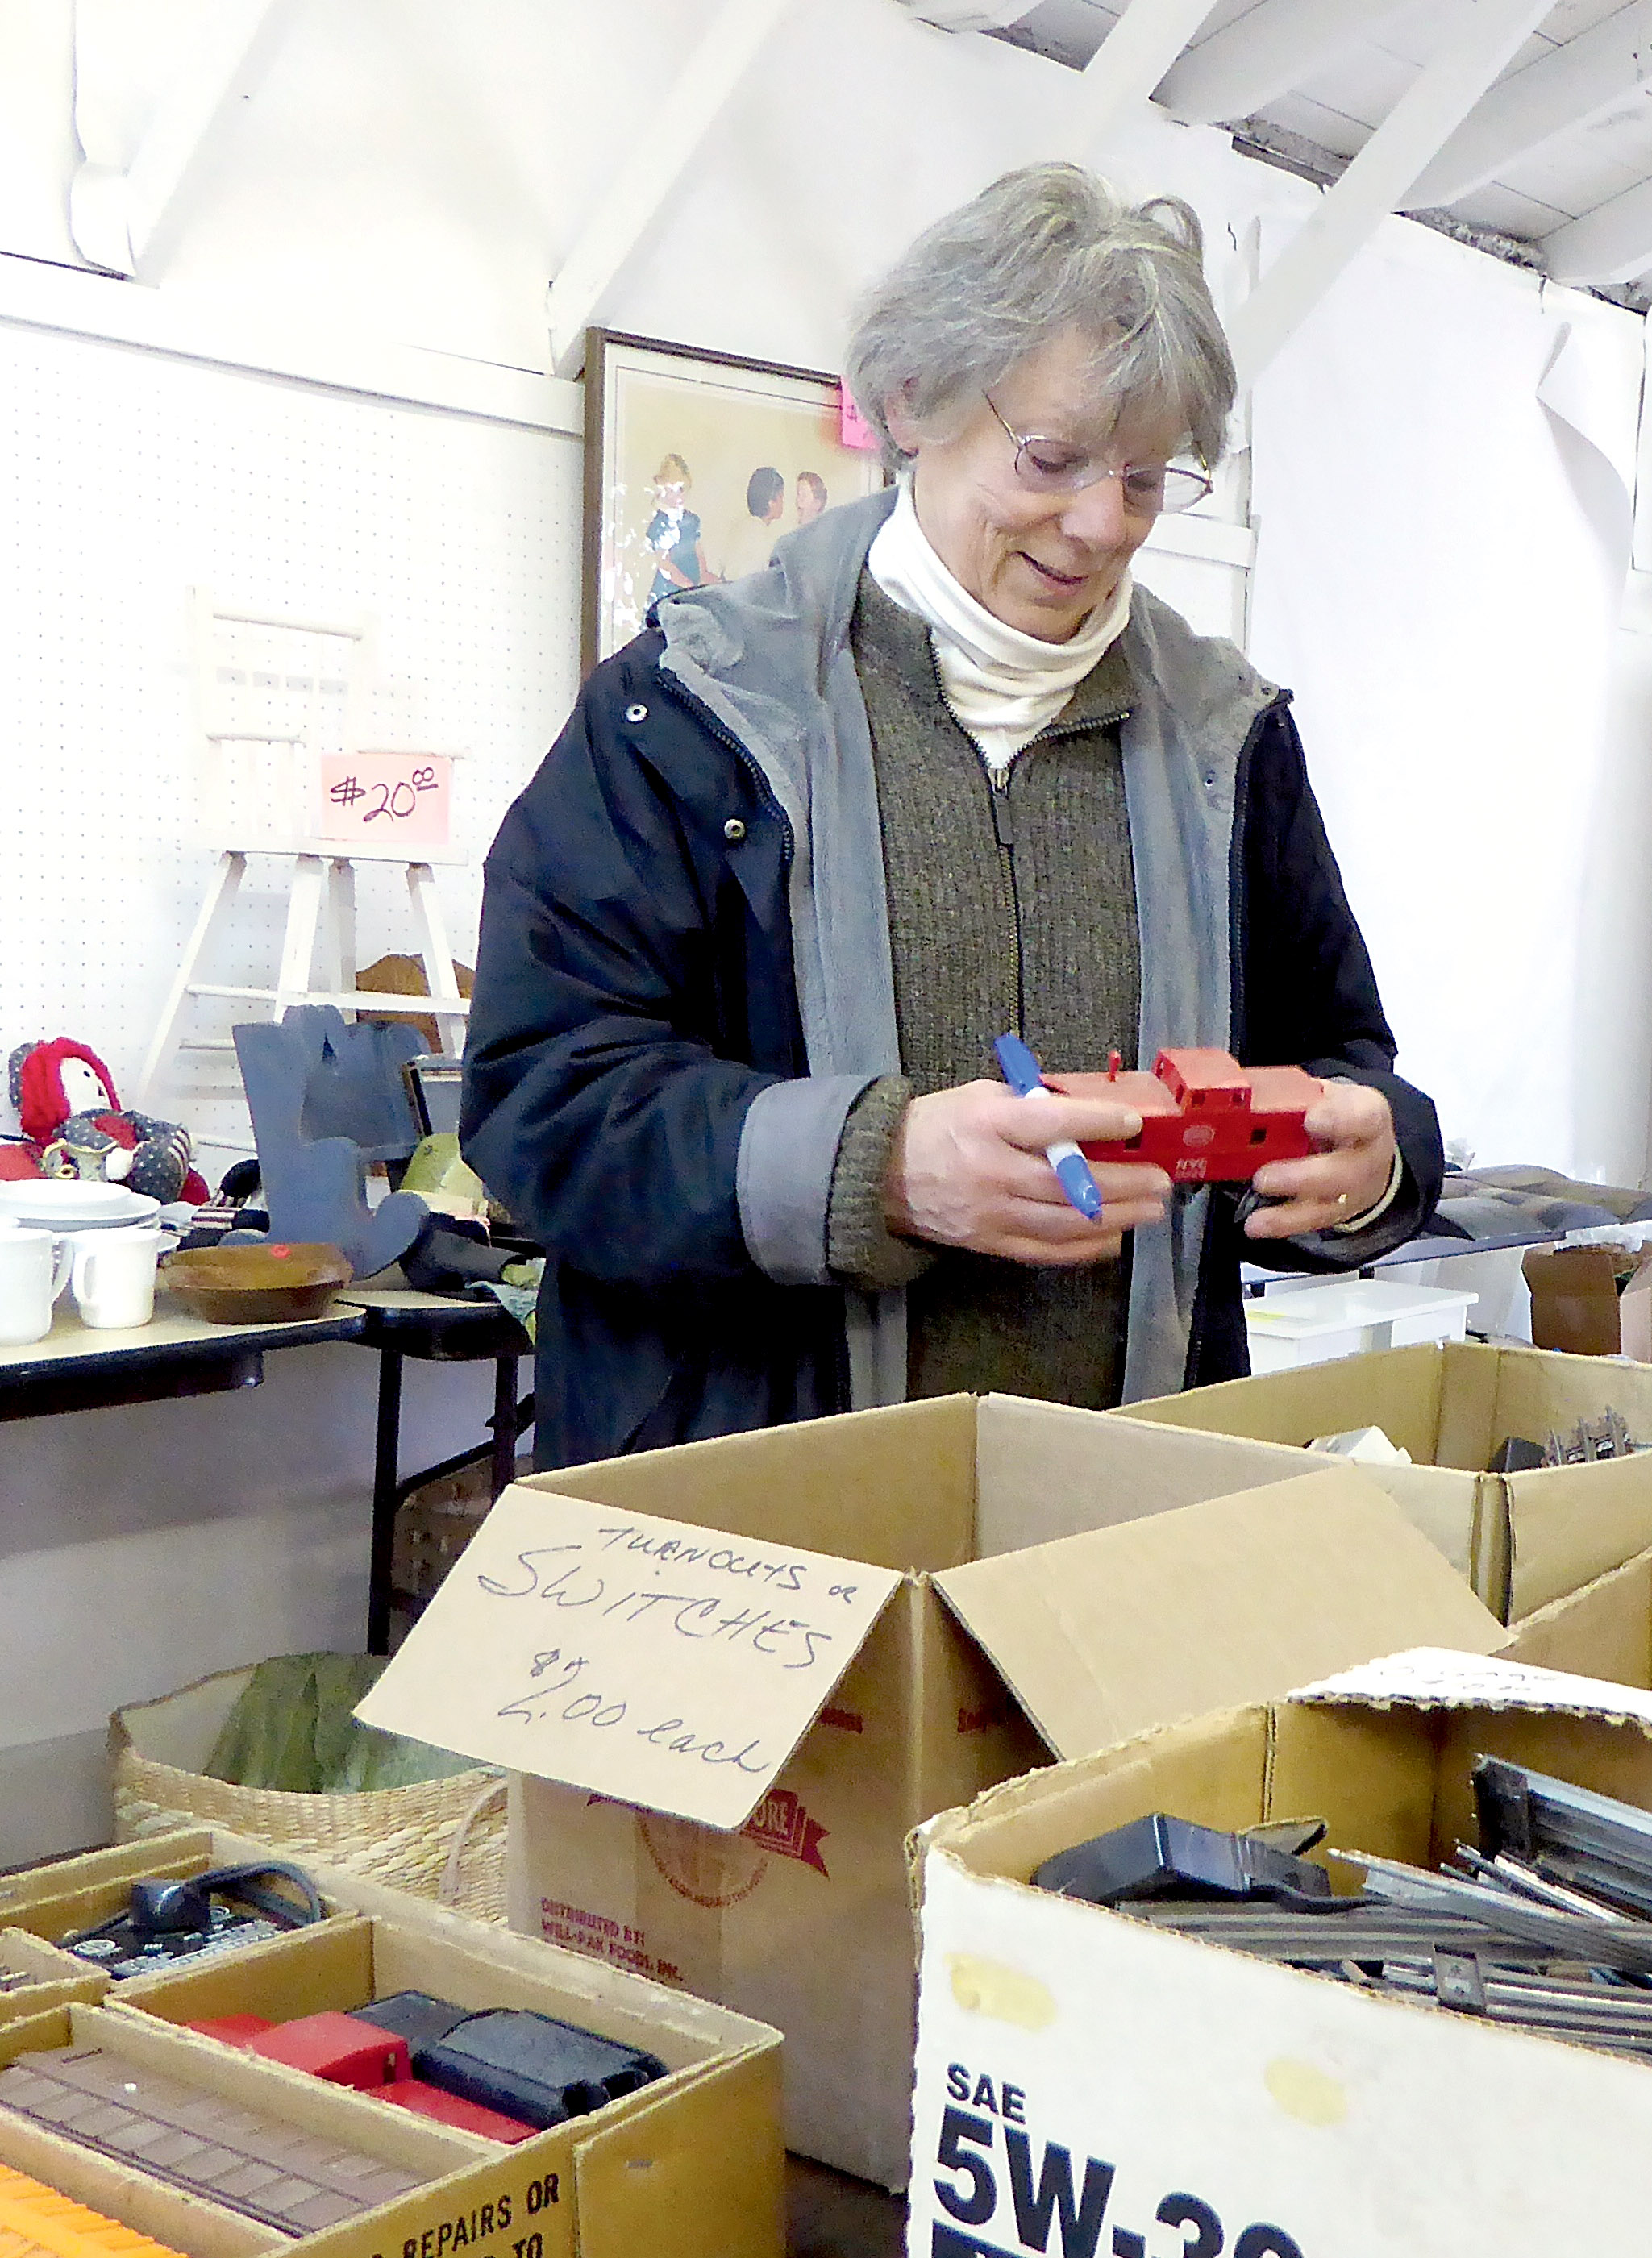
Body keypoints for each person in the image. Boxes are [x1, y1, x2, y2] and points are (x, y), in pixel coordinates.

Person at [465, 165, 1439, 1466]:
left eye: (1147, 480)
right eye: (1054, 459)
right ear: (914, 404)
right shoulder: (686, 715)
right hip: (751, 1520)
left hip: (1111, 1520)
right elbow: (547, 1106)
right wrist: (878, 1170)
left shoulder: (1227, 742)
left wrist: (1371, 1168)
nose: (1100, 525)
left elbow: (1338, 1062)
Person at [643, 455, 705, 598]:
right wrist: (690, 587)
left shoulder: (691, 520)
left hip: (693, 590)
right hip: (669, 593)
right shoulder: (660, 523)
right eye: (673, 489)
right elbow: (665, 565)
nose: (679, 495)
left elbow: (700, 558)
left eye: (682, 489)